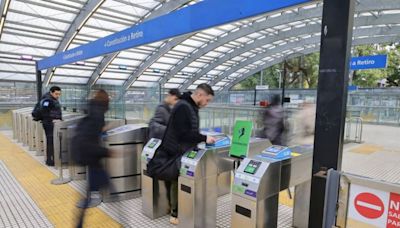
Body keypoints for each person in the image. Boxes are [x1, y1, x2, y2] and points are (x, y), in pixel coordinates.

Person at [147, 83, 216, 225]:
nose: (207, 104)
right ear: (200, 95)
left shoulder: (188, 106)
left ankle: (173, 208)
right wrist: (204, 138)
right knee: (176, 180)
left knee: (175, 180)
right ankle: (175, 212)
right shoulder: (184, 107)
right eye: (207, 100)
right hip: (176, 151)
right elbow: (184, 133)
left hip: (178, 149)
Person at [72, 89, 114, 228]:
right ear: (106, 101)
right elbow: (89, 141)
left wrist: (101, 129)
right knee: (110, 187)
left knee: (89, 188)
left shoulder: (91, 109)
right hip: (91, 156)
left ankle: (79, 223)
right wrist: (107, 151)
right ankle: (122, 218)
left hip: (85, 155)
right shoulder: (99, 113)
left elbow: (88, 131)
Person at [41, 86, 62, 166]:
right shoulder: (47, 100)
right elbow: (44, 111)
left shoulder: (53, 99)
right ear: (51, 92)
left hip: (52, 123)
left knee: (52, 141)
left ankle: (52, 158)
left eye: (59, 94)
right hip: (49, 123)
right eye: (56, 94)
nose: (58, 96)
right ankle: (49, 160)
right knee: (50, 141)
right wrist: (52, 119)